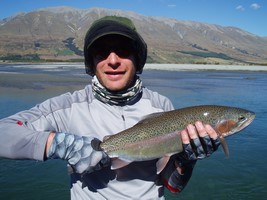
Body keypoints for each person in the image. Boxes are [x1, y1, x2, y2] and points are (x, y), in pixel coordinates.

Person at [0, 16, 220, 199]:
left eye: (123, 50)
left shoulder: (161, 105)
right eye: (101, 52)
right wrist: (58, 144)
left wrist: (186, 160)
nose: (112, 60)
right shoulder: (67, 107)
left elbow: (174, 186)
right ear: (91, 62)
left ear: (137, 58)